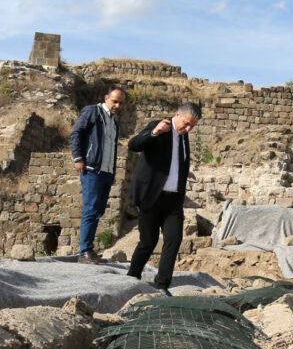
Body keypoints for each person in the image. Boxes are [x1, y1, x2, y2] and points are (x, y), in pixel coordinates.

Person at [125, 102, 201, 292]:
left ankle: (161, 286)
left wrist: (183, 172)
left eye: (192, 126)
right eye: (186, 123)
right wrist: (154, 133)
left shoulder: (184, 136)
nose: (188, 129)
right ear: (177, 114)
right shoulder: (159, 126)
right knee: (148, 242)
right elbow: (133, 145)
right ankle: (132, 277)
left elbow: (174, 160)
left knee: (173, 239)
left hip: (173, 200)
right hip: (151, 196)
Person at [69, 85, 127, 263]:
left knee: (99, 210)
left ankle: (89, 250)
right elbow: (76, 133)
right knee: (91, 209)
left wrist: (112, 171)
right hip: (92, 169)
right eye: (115, 101)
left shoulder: (114, 122)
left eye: (121, 103)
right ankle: (84, 251)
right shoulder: (92, 112)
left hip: (107, 172)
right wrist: (78, 158)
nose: (117, 105)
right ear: (106, 98)